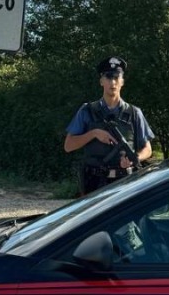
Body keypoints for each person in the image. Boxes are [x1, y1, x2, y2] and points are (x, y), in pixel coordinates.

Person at [64, 56, 154, 195]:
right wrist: (94, 133)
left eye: (117, 77)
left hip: (125, 183)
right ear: (101, 81)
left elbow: (147, 149)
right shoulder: (87, 111)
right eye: (108, 77)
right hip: (94, 183)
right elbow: (68, 146)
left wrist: (134, 159)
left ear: (122, 82)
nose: (113, 82)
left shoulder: (134, 113)